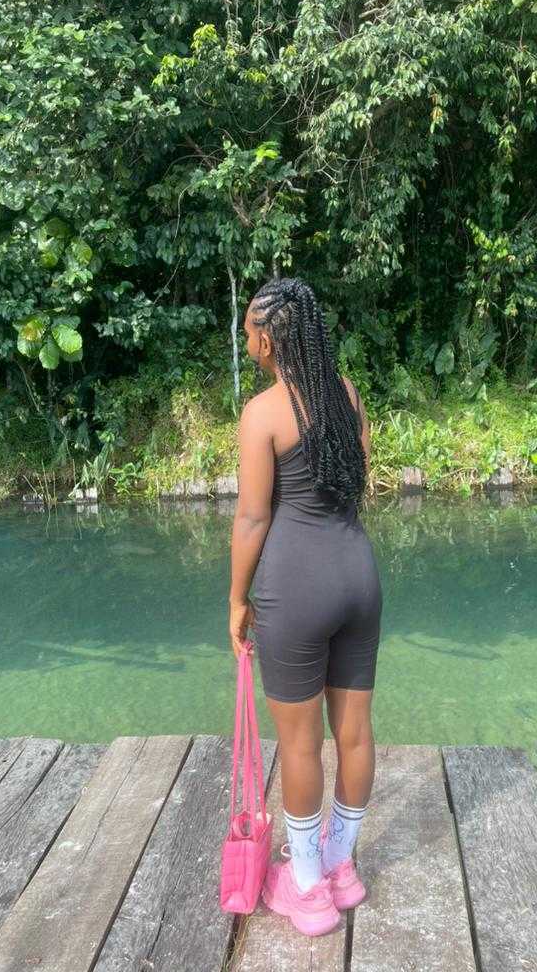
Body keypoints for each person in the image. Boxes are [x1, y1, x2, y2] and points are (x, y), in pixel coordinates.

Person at [228, 275, 383, 937]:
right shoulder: (346, 394)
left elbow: (252, 518)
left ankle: (309, 886)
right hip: (358, 578)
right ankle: (342, 868)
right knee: (355, 733)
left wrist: (237, 598)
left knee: (299, 745)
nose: (244, 337)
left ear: (267, 340)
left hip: (296, 587)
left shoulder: (262, 414)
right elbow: (358, 477)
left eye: (248, 328)